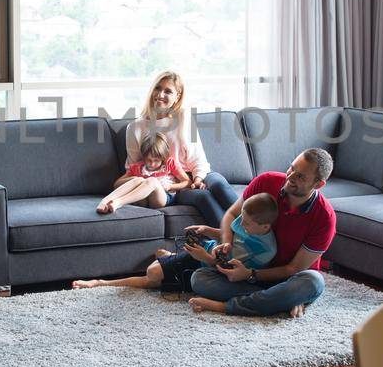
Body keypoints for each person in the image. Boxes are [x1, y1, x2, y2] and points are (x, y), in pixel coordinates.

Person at [187, 148, 336, 318]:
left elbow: (293, 268)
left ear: (318, 184)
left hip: (286, 277)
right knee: (200, 279)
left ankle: (226, 307)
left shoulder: (325, 218)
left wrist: (251, 275)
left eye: (300, 176)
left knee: (314, 282)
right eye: (292, 168)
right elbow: (232, 214)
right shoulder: (266, 182)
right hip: (248, 268)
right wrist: (227, 242)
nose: (290, 176)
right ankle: (280, 299)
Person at [71, 193, 279, 291]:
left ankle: (99, 283)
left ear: (265, 227)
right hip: (204, 254)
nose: (240, 224)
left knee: (152, 276)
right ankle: (170, 258)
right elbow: (231, 237)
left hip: (211, 268)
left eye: (247, 223)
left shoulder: (265, 251)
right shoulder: (246, 221)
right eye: (240, 218)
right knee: (155, 275)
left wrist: (205, 258)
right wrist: (208, 230)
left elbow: (233, 274)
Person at [125, 71, 236, 227]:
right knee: (203, 198)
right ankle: (230, 241)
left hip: (198, 174)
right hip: (174, 184)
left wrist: (198, 179)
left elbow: (198, 157)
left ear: (177, 96)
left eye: (168, 91)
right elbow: (135, 168)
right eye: (157, 88)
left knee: (219, 185)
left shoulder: (183, 117)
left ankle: (260, 230)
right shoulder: (136, 127)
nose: (160, 94)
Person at [97, 130, 189, 213]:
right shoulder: (138, 167)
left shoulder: (169, 163)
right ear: (144, 157)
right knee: (138, 180)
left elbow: (187, 182)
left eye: (156, 160)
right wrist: (135, 179)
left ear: (163, 157)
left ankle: (119, 202)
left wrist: (170, 186)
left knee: (152, 181)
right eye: (149, 160)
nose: (152, 164)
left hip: (162, 197)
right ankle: (105, 201)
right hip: (141, 199)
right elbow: (116, 184)